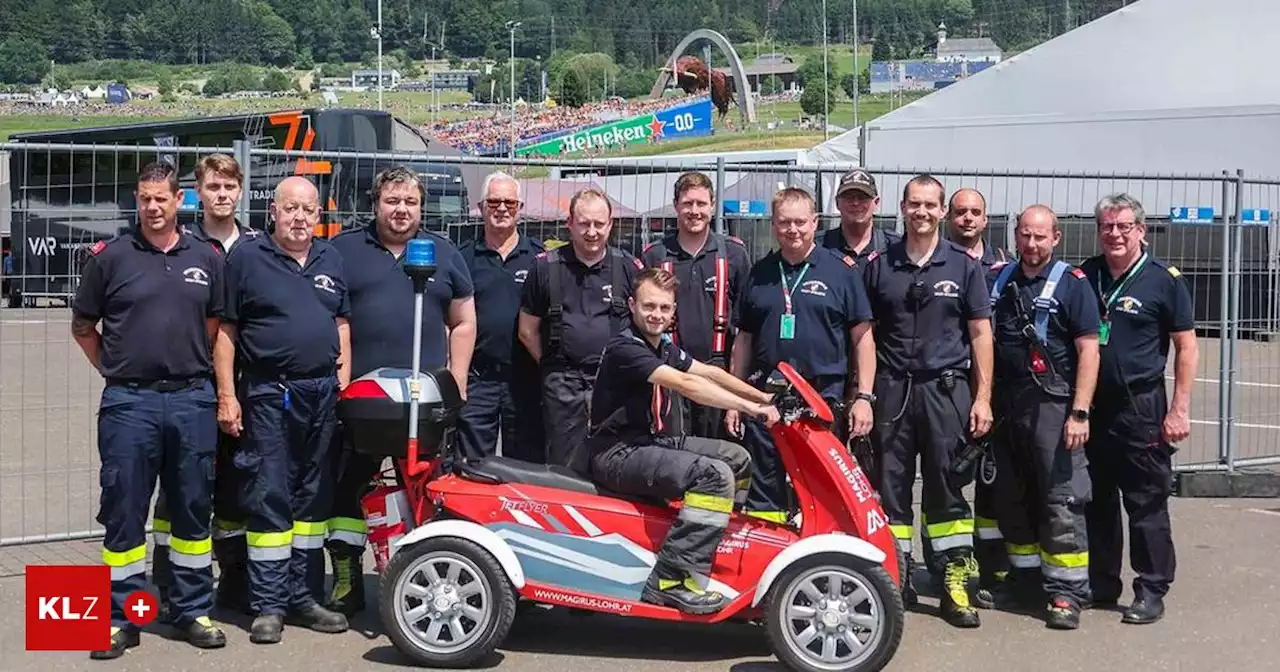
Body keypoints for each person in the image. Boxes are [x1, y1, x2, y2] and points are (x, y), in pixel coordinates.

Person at [71, 161, 227, 658]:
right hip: (129, 402)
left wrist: (194, 372)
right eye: (143, 198)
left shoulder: (206, 256)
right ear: (136, 200)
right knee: (124, 511)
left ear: (179, 200)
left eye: (160, 198)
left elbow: (216, 327)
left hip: (191, 399)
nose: (151, 207)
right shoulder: (111, 258)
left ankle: (191, 611)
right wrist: (115, 369)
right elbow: (82, 327)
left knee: (192, 508)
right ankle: (123, 618)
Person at [326, 166, 476, 615]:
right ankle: (347, 577)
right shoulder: (344, 250)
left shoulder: (443, 253)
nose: (402, 210)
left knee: (427, 492)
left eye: (410, 202)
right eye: (393, 201)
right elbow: (336, 322)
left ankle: (420, 579)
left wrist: (457, 381)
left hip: (423, 403)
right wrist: (340, 383)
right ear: (376, 204)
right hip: (363, 402)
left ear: (421, 207)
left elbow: (464, 321)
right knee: (347, 488)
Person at [587, 267, 778, 613]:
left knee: (737, 459)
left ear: (673, 312)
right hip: (617, 453)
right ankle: (670, 580)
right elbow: (688, 385)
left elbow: (710, 372)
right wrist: (749, 408)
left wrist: (764, 398)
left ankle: (716, 549)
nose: (656, 314)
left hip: (651, 443)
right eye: (649, 306)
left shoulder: (660, 344)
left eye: (664, 308)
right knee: (714, 476)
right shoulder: (625, 347)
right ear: (631, 305)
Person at [217, 176, 352, 643]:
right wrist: (227, 395)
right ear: (272, 211)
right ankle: (268, 605)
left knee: (313, 499)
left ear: (319, 215)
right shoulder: (247, 259)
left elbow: (341, 324)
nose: (299, 218)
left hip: (321, 394)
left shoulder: (329, 258)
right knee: (270, 492)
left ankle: (304, 596)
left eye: (308, 210)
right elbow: (226, 332)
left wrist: (344, 383)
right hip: (270, 393)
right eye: (290, 208)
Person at [861, 175, 994, 628]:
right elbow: (863, 335)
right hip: (893, 391)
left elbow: (980, 335)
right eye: (914, 204)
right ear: (901, 208)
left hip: (946, 390)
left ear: (942, 212)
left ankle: (954, 580)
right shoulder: (880, 265)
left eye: (930, 205)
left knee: (947, 486)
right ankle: (895, 575)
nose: (921, 212)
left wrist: (983, 398)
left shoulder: (963, 266)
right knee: (890, 486)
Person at [1079, 193, 1197, 625]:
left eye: (1124, 226)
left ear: (1141, 230)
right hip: (1094, 406)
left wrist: (1179, 409)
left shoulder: (1163, 280)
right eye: (1107, 226)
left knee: (1145, 502)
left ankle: (1151, 588)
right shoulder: (1086, 274)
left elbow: (1186, 347)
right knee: (1097, 501)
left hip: (1142, 407)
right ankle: (1102, 580)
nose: (1114, 233)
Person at [727, 187, 877, 524]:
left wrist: (864, 396)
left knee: (819, 487)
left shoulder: (841, 273)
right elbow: (744, 340)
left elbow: (863, 340)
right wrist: (735, 398)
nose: (792, 230)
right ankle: (771, 561)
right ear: (773, 226)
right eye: (784, 223)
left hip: (821, 400)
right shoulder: (760, 272)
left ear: (815, 222)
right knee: (765, 492)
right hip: (765, 398)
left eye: (800, 222)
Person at [152, 153, 260, 617]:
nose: (221, 195)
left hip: (248, 386)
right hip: (192, 386)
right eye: (213, 186)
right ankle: (166, 581)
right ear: (198, 192)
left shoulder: (257, 246)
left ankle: (234, 581)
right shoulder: (182, 244)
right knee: (179, 486)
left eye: (229, 187)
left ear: (240, 192)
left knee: (237, 486)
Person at [988, 205, 1100, 630]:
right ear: (1016, 235)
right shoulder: (1000, 280)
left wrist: (1080, 412)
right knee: (1013, 498)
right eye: (1025, 236)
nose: (1032, 245)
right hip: (1008, 406)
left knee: (1061, 501)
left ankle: (1067, 592)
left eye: (1041, 237)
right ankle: (1025, 580)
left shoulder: (1073, 286)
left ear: (1056, 238)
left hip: (1054, 407)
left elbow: (1090, 351)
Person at [519, 188, 642, 466]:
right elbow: (527, 331)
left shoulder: (628, 268)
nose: (592, 232)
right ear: (570, 224)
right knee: (565, 463)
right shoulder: (545, 268)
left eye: (599, 224)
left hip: (615, 383)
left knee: (616, 460)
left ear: (610, 224)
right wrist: (554, 366)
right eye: (584, 223)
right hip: (564, 385)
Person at [640, 171, 751, 439]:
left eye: (701, 204)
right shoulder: (654, 255)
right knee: (673, 458)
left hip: (718, 373)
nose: (694, 211)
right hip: (670, 374)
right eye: (688, 203)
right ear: (676, 205)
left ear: (712, 206)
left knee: (720, 460)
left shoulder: (734, 254)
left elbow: (745, 333)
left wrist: (736, 393)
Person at [944, 186, 1013, 606]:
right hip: (949, 388)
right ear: (949, 218)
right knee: (948, 479)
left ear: (986, 219)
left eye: (976, 212)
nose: (968, 219)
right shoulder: (937, 262)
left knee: (993, 485)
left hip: (993, 392)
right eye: (960, 212)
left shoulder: (1003, 268)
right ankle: (949, 563)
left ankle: (991, 566)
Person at [456, 172, 544, 461]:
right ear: (481, 207)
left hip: (526, 380)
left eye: (509, 202)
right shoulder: (463, 259)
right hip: (478, 379)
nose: (502, 208)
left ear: (519, 208)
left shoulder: (539, 259)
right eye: (494, 202)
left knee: (526, 466)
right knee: (473, 466)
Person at [821, 168, 901, 264]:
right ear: (837, 203)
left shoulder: (896, 247)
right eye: (849, 197)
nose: (855, 203)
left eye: (863, 197)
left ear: (876, 203)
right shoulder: (819, 246)